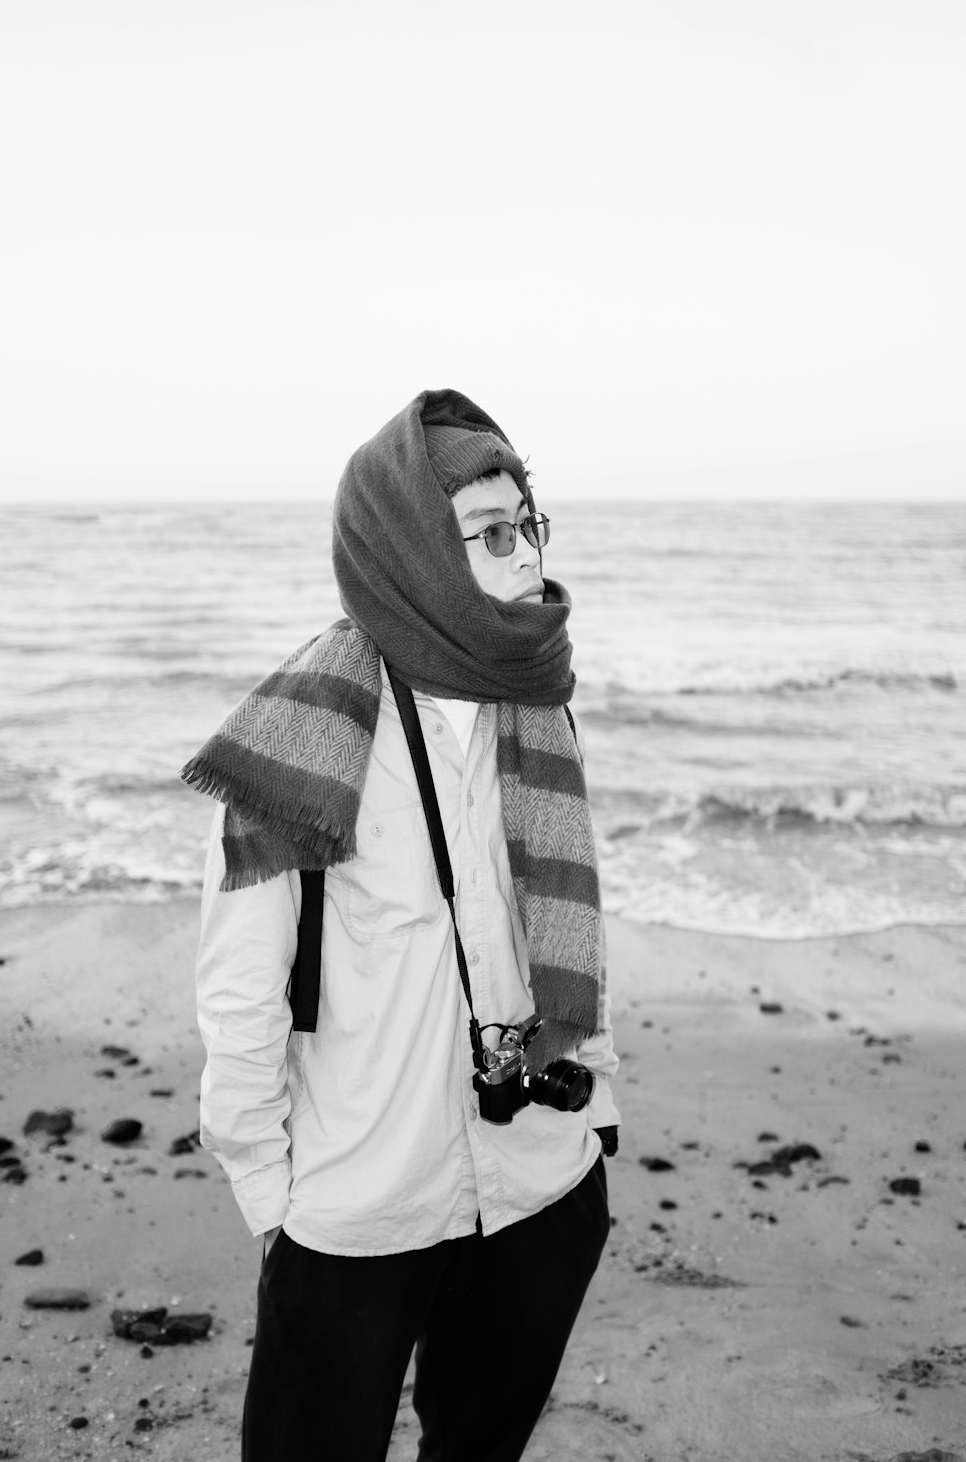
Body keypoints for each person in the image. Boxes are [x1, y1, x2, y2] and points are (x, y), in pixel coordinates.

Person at [183, 388, 620, 1462]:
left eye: (530, 525)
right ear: (414, 550)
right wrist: (272, 1194)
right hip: (358, 1203)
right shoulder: (301, 734)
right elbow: (240, 984)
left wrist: (594, 1104)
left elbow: (567, 921)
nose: (526, 557)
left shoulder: (538, 701)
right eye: (490, 533)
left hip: (537, 1181)